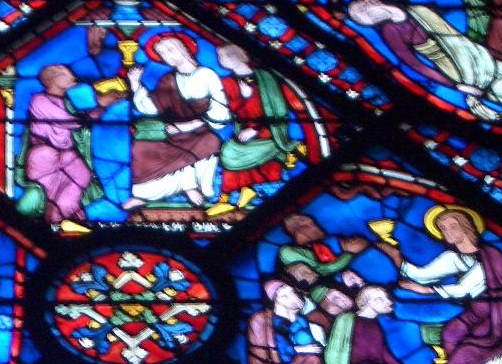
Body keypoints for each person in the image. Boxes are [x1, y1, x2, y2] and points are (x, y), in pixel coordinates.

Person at [346, 0, 502, 137]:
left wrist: (501, 56)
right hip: (456, 69)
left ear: (372, 3)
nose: (371, 16)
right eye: (366, 18)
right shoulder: (390, 31)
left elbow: (460, 39)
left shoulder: (419, 10)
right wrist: (456, 85)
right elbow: (414, 64)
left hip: (478, 55)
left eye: (366, 11)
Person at [376, 205, 502, 364]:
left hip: (499, 312)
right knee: (451, 333)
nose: (448, 232)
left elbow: (465, 288)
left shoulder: (491, 254)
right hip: (477, 309)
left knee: (469, 347)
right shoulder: (453, 257)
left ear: (468, 226)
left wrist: (425, 290)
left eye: (453, 226)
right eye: (443, 228)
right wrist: (396, 257)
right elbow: (422, 275)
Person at [127, 33, 229, 210]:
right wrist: (135, 83)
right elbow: (151, 108)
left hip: (201, 133)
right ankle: (147, 194)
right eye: (162, 53)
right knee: (138, 149)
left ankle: (193, 187)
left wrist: (190, 125)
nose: (167, 55)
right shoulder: (168, 80)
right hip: (173, 135)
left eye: (170, 49)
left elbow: (220, 112)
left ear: (184, 48)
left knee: (210, 142)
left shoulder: (206, 74)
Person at [214, 44, 302, 213]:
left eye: (222, 56)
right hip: (243, 127)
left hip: (270, 129)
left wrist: (256, 128)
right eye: (219, 57)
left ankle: (236, 193)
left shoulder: (266, 78)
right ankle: (230, 197)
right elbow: (233, 109)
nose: (220, 60)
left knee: (231, 152)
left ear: (235, 56)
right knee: (231, 152)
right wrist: (245, 98)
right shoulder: (228, 82)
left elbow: (278, 106)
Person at [22, 65, 100, 229]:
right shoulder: (39, 100)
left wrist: (102, 107)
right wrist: (97, 107)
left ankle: (64, 215)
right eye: (65, 74)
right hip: (43, 155)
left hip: (65, 153)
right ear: (53, 80)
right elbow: (67, 121)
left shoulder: (66, 103)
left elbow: (82, 120)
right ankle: (57, 222)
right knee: (52, 192)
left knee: (83, 177)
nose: (72, 76)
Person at [245, 279, 325, 364]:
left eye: (293, 292)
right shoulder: (271, 323)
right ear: (278, 300)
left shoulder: (301, 320)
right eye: (287, 294)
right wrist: (299, 350)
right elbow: (275, 351)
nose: (295, 296)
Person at [277, 213, 366, 304]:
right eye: (310, 225)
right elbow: (322, 270)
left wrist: (349, 251)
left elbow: (322, 269)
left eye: (313, 224)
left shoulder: (315, 248)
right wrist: (350, 253)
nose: (319, 230)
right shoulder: (287, 253)